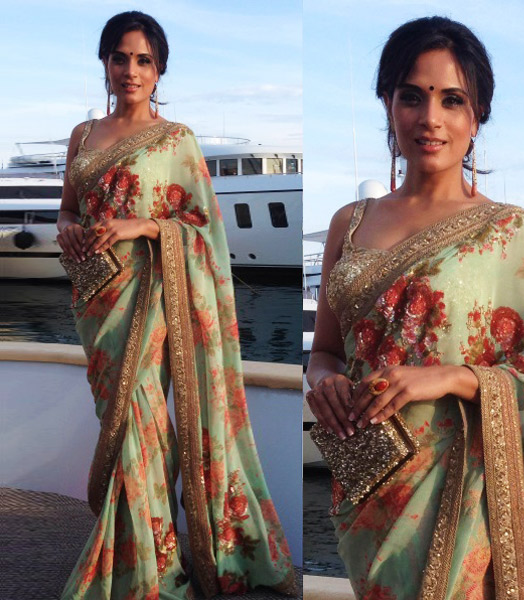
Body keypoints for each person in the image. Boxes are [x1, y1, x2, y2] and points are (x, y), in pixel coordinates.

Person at [306, 16, 524, 600]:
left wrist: (451, 377)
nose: (430, 118)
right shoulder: (350, 223)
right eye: (412, 96)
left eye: (452, 99)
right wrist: (324, 383)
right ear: (388, 103)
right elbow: (326, 352)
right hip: (370, 481)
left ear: (477, 115)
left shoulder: (507, 233)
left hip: (466, 492)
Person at [56, 11, 295, 599]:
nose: (130, 70)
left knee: (141, 424)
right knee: (121, 423)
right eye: (119, 57)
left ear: (159, 69)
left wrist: (142, 225)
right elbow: (68, 208)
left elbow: (204, 230)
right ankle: (142, 550)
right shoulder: (82, 136)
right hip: (96, 300)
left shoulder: (175, 140)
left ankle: (147, 564)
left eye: (143, 60)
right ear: (104, 63)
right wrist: (67, 230)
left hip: (151, 300)